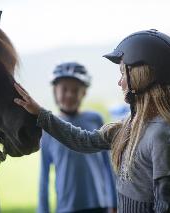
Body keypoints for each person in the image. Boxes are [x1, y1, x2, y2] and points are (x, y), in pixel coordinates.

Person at [14, 29, 170, 212]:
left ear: (140, 76)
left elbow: (168, 206)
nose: (120, 82)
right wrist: (40, 113)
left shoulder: (161, 135)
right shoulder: (129, 126)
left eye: (122, 73)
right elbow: (83, 141)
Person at [38, 62, 117, 213]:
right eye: (64, 89)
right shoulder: (48, 129)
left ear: (84, 93)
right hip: (67, 206)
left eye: (75, 90)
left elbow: (109, 165)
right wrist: (43, 209)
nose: (69, 94)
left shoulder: (95, 119)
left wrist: (114, 201)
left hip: (99, 204)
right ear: (55, 91)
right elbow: (44, 174)